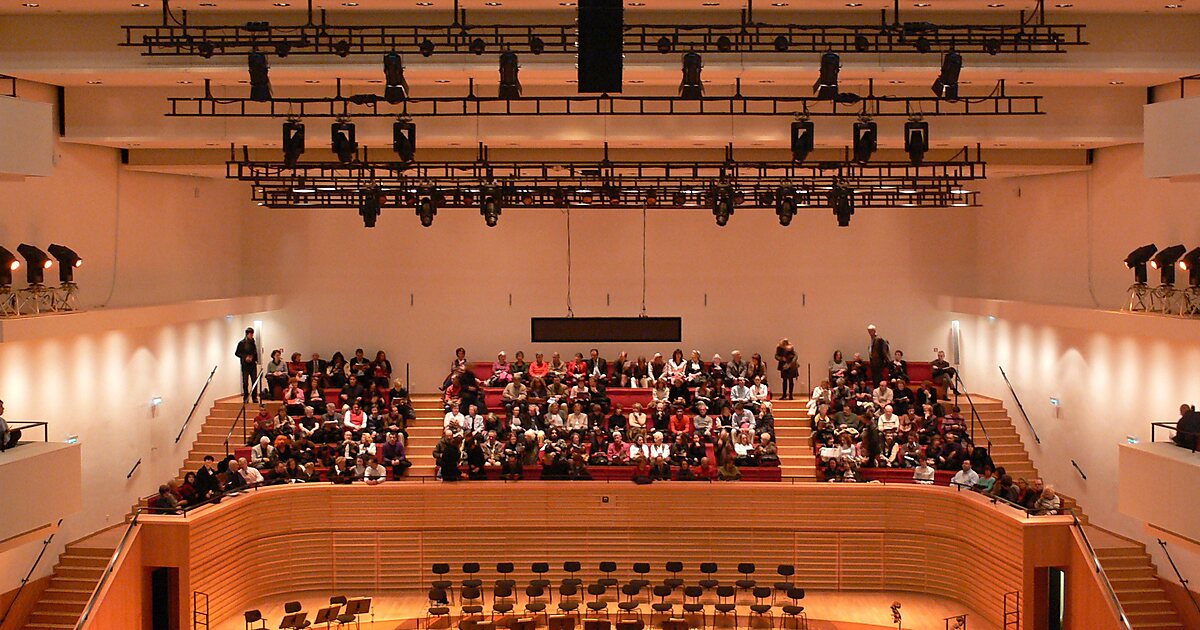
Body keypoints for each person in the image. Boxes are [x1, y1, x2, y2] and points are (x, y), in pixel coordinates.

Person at [235, 327, 260, 403]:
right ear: (247, 334)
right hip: (245, 365)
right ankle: (246, 397)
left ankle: (254, 397)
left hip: (252, 365)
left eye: (252, 334)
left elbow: (255, 353)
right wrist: (245, 357)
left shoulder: (253, 342)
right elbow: (237, 353)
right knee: (245, 382)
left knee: (254, 381)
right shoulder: (241, 343)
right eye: (250, 334)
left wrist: (253, 357)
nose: (252, 335)